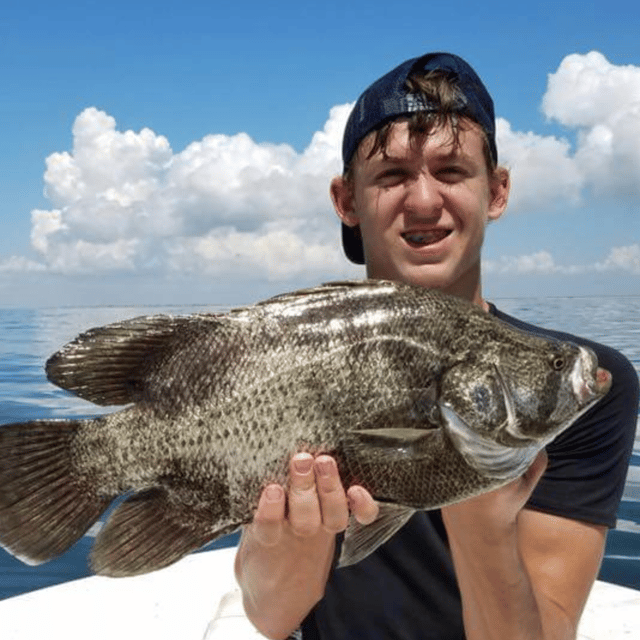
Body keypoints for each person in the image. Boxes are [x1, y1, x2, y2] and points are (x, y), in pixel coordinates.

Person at [234, 52, 639, 640]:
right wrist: (306, 527)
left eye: (451, 171)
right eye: (392, 175)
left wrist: (479, 513)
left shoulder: (587, 390)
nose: (423, 201)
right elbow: (269, 617)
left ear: (497, 191)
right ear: (346, 201)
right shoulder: (294, 360)